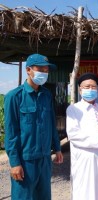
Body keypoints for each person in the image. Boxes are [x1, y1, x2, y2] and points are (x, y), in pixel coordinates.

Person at [4, 53, 63, 200]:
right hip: (25, 161)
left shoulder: (47, 95)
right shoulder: (14, 97)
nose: (44, 73)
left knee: (43, 197)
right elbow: (11, 133)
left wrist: (57, 148)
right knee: (23, 197)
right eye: (40, 69)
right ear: (28, 70)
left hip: (44, 158)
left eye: (46, 70)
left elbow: (51, 124)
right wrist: (15, 163)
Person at [66, 72, 98, 200]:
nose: (90, 89)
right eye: (87, 87)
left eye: (93, 87)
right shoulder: (73, 109)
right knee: (85, 190)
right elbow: (73, 134)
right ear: (80, 90)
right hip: (84, 158)